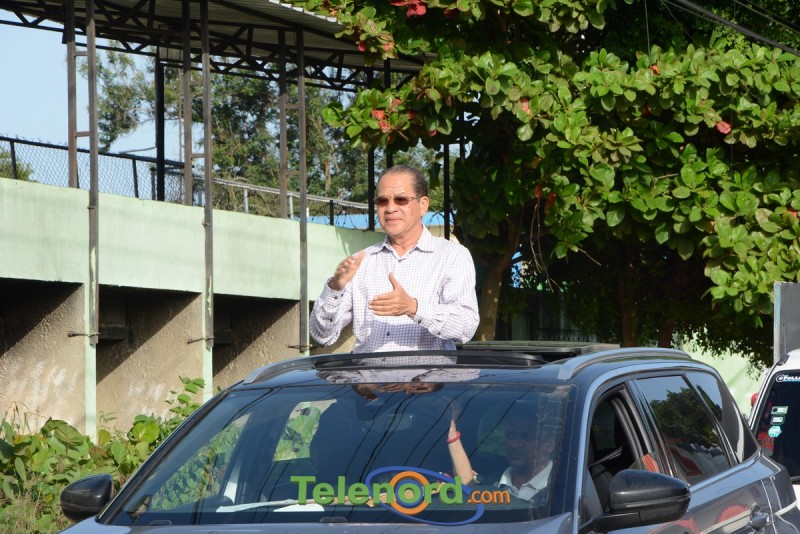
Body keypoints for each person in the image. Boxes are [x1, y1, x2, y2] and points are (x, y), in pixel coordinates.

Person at [309, 164, 480, 353]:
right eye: (382, 201)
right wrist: (335, 289)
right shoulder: (361, 261)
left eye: (401, 200)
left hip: (426, 371)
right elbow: (321, 336)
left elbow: (466, 326)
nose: (390, 208)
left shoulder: (452, 256)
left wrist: (413, 308)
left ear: (423, 205)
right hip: (368, 371)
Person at [447, 404, 555, 502]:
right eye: (510, 435)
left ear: (549, 445)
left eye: (526, 437)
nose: (514, 444)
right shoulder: (492, 481)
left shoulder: (561, 488)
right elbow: (468, 489)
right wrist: (451, 431)